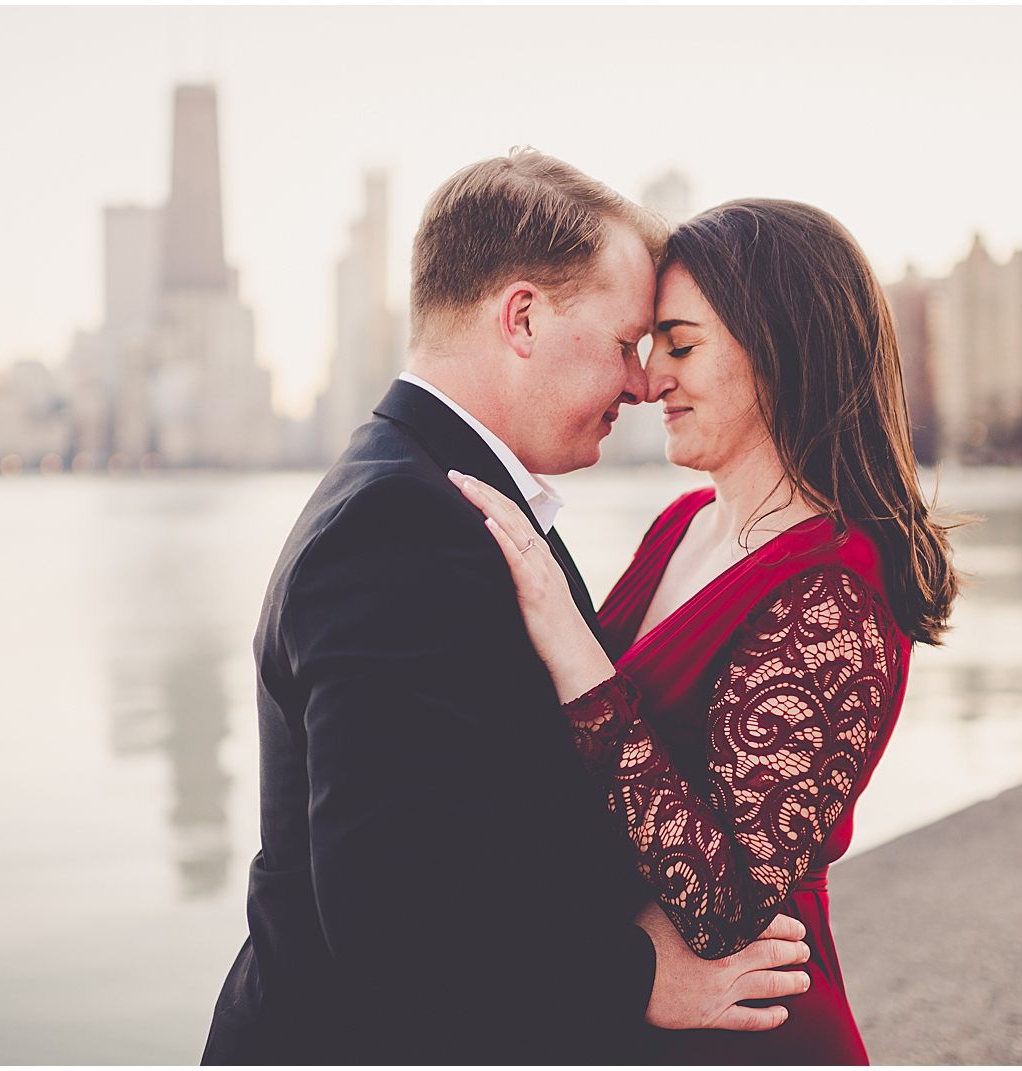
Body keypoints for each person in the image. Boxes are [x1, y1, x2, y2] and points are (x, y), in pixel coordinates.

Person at [201, 153, 813, 1065]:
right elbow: (389, 917)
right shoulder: (396, 526)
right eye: (624, 343)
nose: (643, 384)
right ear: (522, 317)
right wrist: (643, 976)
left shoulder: (437, 491)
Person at [453, 198, 959, 1064]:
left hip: (749, 1030)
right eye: (649, 349)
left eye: (680, 346)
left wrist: (572, 644)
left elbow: (725, 904)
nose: (649, 382)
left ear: (781, 352)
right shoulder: (684, 521)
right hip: (640, 1018)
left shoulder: (833, 596)